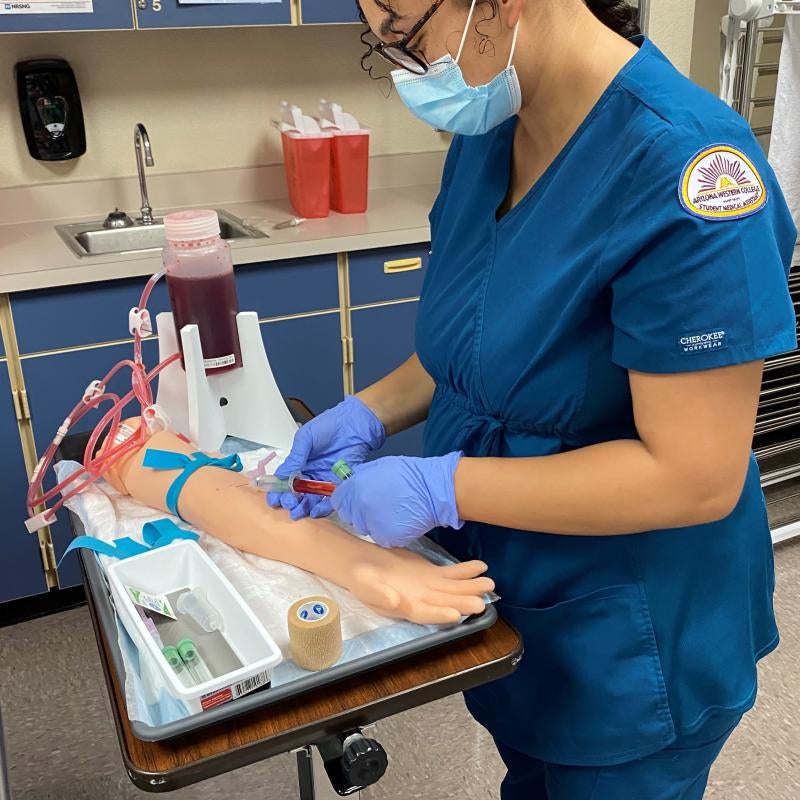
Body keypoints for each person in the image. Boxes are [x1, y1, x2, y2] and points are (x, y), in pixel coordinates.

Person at [269, 1, 798, 797]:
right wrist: (370, 410)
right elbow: (482, 336)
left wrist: (437, 484)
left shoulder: (686, 169)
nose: (408, 70)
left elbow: (694, 476)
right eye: (384, 46)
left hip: (632, 640)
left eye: (407, 37)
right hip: (518, 603)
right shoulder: (493, 131)